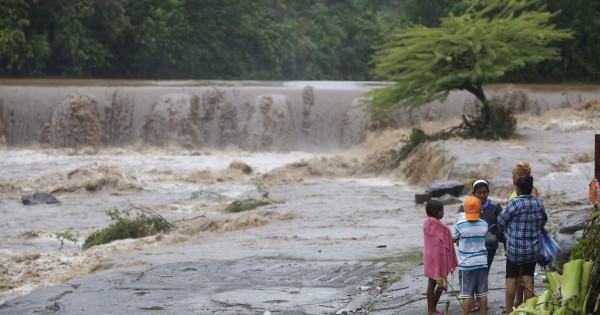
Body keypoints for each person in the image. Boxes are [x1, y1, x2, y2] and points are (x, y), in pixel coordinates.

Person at [498, 175, 547, 313]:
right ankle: (528, 310)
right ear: (531, 188)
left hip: (515, 249)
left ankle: (509, 311)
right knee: (528, 279)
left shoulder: (514, 203)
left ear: (518, 189)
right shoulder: (538, 203)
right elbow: (544, 221)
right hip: (533, 249)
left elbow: (500, 221)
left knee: (512, 280)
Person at [456, 179, 503, 312]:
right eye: (479, 193)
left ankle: (477, 300)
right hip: (470, 247)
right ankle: (474, 301)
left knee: (483, 273)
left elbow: (503, 221)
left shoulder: (495, 206)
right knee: (474, 274)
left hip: (489, 247)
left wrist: (496, 234)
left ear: (488, 192)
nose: (482, 195)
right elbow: (458, 222)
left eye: (485, 193)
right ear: (473, 193)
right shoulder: (464, 206)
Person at [508, 161, 539, 307]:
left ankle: (521, 304)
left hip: (522, 240)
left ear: (519, 175)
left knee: (520, 276)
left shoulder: (531, 192)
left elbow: (534, 215)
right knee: (521, 276)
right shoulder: (516, 189)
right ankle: (518, 302)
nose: (512, 174)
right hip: (514, 238)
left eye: (514, 172)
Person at [453, 196, 489, 315]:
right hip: (482, 262)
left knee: (466, 294)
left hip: (466, 264)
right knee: (482, 293)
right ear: (480, 210)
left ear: (465, 210)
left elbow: (454, 238)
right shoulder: (484, 224)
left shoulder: (460, 224)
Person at [423, 200, 458, 315]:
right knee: (432, 283)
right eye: (441, 211)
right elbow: (443, 239)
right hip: (433, 259)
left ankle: (433, 308)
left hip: (437, 258)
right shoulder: (432, 224)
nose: (443, 213)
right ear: (435, 212)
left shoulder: (432, 224)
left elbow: (445, 240)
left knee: (440, 283)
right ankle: (431, 310)